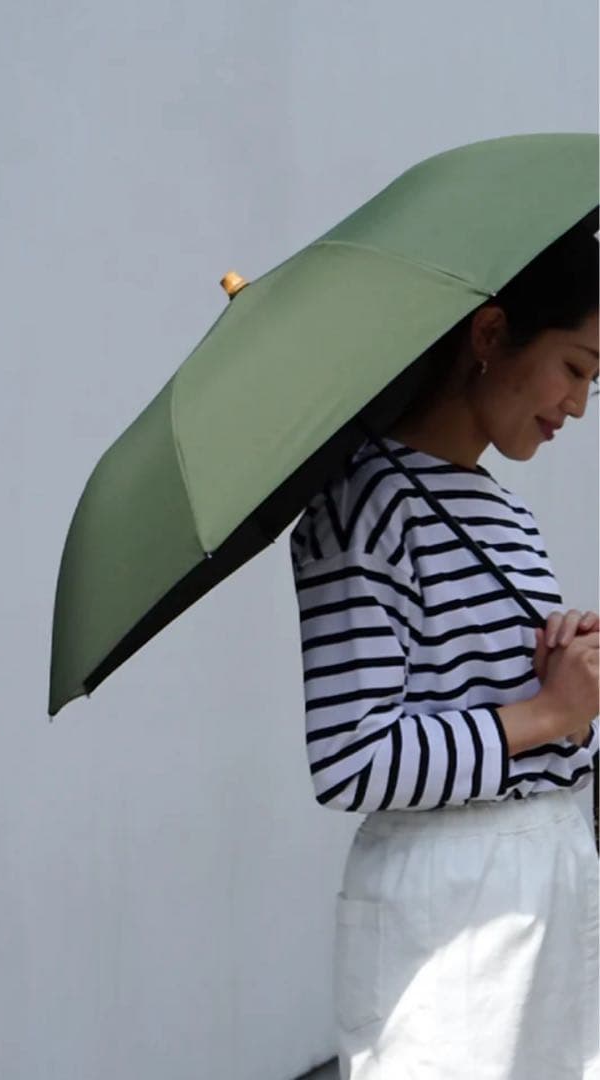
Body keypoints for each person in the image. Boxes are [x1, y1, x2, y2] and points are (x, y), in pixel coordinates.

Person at [288, 221, 600, 1079]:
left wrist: (571, 688)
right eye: (575, 367)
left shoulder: (507, 513)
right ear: (492, 334)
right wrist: (545, 714)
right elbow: (351, 759)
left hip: (548, 888)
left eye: (595, 382)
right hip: (451, 917)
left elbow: (541, 732)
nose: (579, 405)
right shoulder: (365, 501)